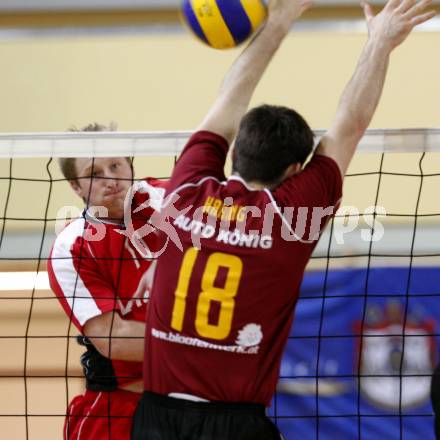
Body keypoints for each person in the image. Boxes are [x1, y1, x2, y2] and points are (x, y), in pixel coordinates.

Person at [132, 0, 436, 439]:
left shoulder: (184, 193)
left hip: (155, 418)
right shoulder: (289, 220)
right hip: (235, 424)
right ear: (295, 171)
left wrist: (277, 21)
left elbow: (228, 101)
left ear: (233, 152)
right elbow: (350, 124)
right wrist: (381, 42)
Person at [47, 123, 167, 439]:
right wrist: (204, 343)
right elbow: (114, 339)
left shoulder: (172, 199)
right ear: (76, 186)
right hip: (120, 408)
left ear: (130, 165)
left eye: (115, 165)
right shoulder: (72, 245)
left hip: (199, 399)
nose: (110, 179)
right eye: (94, 173)